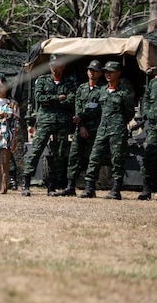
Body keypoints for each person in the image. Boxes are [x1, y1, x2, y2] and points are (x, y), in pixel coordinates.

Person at [21, 53, 75, 196]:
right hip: (45, 121)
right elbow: (39, 98)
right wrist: (58, 98)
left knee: (59, 154)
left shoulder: (69, 82)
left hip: (62, 122)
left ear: (63, 66)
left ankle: (52, 185)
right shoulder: (43, 81)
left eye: (57, 66)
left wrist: (50, 101)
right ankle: (26, 183)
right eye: (52, 66)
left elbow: (71, 100)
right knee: (36, 150)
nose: (54, 69)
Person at [80, 61, 135, 200]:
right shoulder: (102, 91)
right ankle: (89, 188)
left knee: (117, 159)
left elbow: (130, 113)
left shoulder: (124, 92)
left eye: (111, 72)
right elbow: (96, 109)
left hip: (117, 130)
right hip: (102, 129)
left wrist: (119, 122)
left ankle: (116, 190)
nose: (108, 75)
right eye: (106, 72)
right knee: (94, 157)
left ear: (118, 73)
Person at [56, 60, 104, 196]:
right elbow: (77, 107)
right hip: (81, 127)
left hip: (95, 128)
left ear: (100, 73)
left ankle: (90, 187)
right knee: (74, 156)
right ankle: (70, 186)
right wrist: (81, 124)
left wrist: (82, 118)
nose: (91, 72)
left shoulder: (103, 90)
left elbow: (99, 110)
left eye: (94, 70)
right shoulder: (81, 88)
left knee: (92, 158)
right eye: (89, 70)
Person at [138, 67, 157, 200]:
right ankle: (146, 188)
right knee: (149, 155)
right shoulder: (152, 83)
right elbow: (146, 100)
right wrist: (146, 113)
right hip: (154, 125)